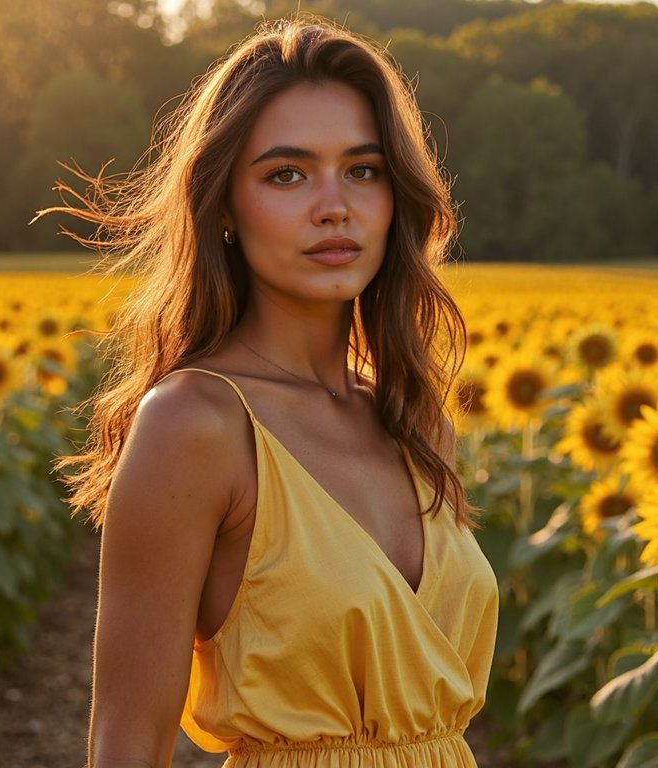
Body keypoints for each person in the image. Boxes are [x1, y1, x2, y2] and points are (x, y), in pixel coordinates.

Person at [44, 16, 499, 768]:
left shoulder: (414, 420)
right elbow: (126, 743)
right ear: (224, 205)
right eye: (287, 174)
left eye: (364, 169)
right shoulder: (195, 425)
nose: (335, 206)